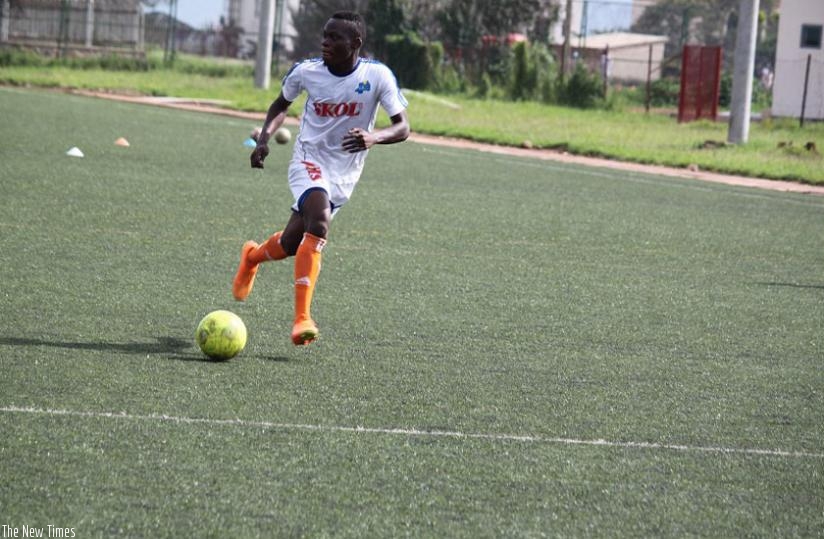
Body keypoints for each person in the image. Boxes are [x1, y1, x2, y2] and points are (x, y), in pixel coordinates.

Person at [233, 11, 410, 346]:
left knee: (289, 243)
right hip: (308, 158)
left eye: (335, 38)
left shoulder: (377, 76)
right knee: (320, 221)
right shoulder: (307, 71)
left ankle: (252, 257)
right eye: (325, 36)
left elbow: (403, 127)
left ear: (356, 43)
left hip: (345, 172)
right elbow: (280, 105)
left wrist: (374, 137)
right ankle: (302, 319)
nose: (326, 43)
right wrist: (263, 140)